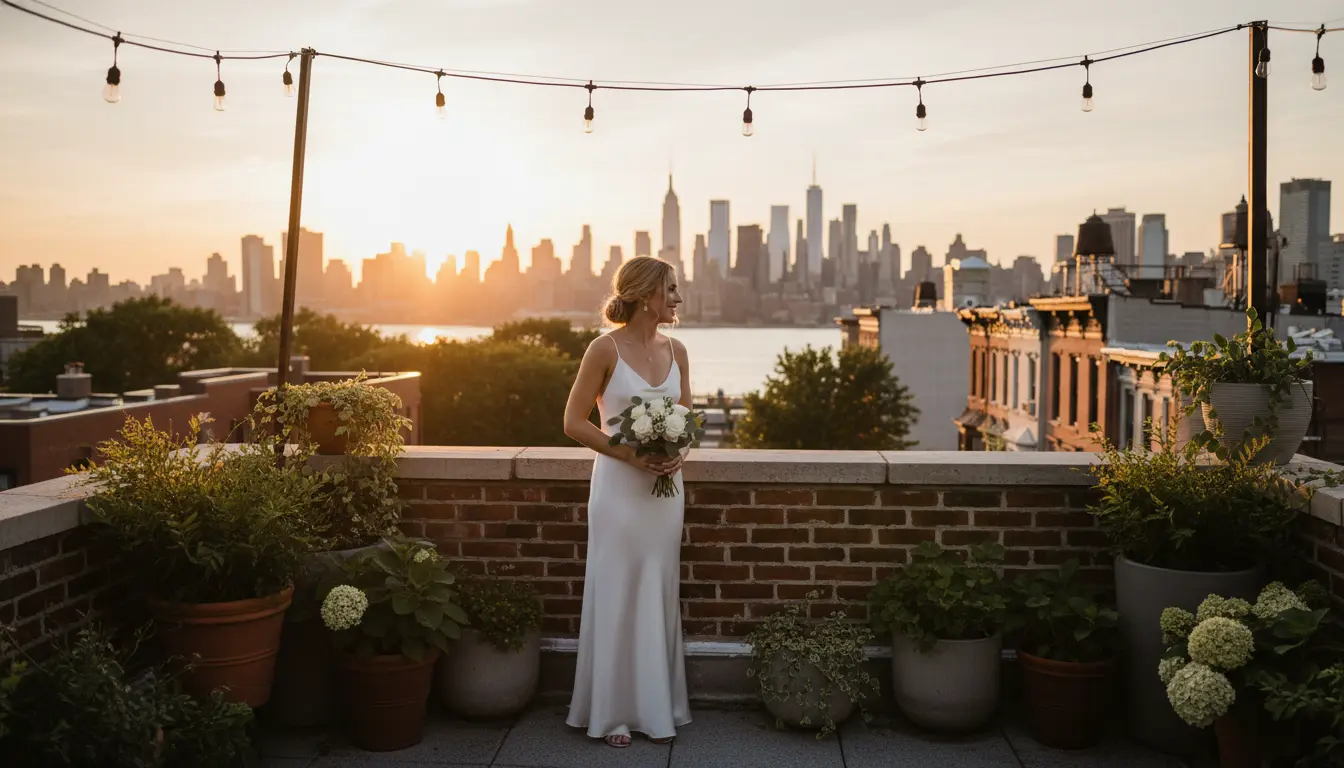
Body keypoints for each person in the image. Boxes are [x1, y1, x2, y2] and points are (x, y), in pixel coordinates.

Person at [562, 256, 692, 748]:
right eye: (671, 290)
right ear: (644, 296)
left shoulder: (678, 349)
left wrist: (676, 450)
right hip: (618, 488)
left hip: (666, 491)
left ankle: (659, 704)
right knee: (618, 587)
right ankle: (612, 712)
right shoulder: (603, 349)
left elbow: (687, 416)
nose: (678, 298)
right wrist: (632, 456)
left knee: (658, 587)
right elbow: (573, 422)